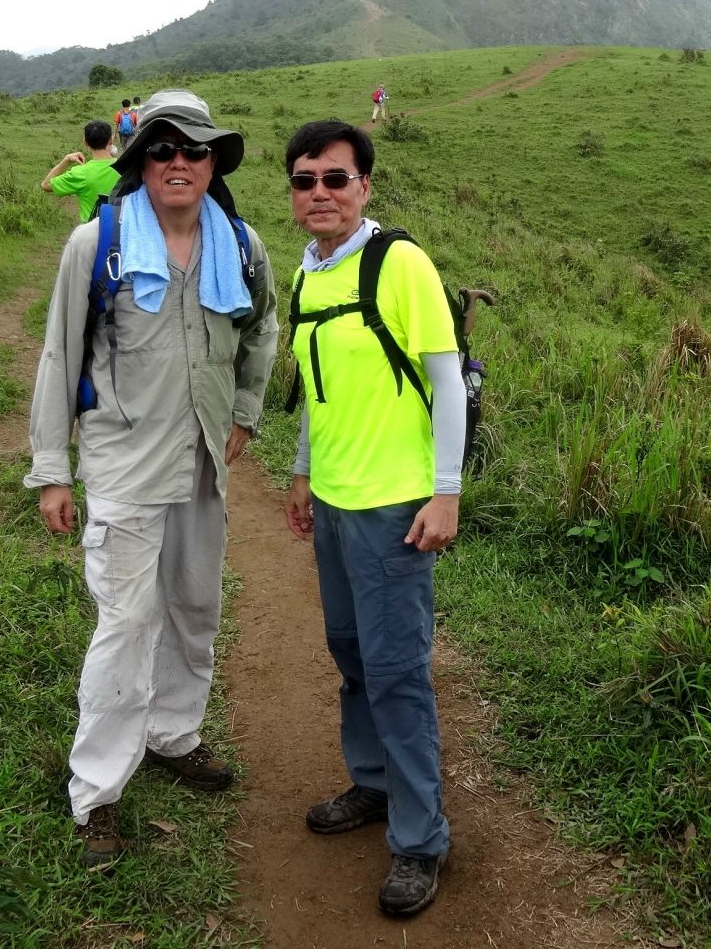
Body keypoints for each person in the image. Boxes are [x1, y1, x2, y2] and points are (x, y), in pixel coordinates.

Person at [25, 89, 278, 866]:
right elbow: (60, 355)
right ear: (140, 161)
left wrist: (245, 412)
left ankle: (174, 735)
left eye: (194, 150)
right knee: (127, 624)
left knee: (195, 608)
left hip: (201, 461)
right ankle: (97, 792)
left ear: (213, 163)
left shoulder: (240, 244)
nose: (178, 162)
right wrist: (52, 469)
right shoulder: (96, 245)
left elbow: (263, 326)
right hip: (124, 467)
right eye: (162, 149)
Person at [281, 119, 461, 917]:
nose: (319, 192)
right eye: (304, 180)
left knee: (396, 672)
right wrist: (302, 472)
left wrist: (445, 492)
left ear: (364, 186)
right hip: (332, 498)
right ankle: (374, 783)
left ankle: (420, 840)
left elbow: (447, 382)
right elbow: (318, 390)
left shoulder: (400, 262)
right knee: (350, 652)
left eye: (335, 178)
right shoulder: (307, 273)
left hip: (393, 506)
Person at [41, 119, 121, 221]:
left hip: (91, 229)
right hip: (121, 228)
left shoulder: (80, 173)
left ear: (85, 142)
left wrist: (66, 160)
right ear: (111, 140)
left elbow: (45, 185)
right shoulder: (126, 167)